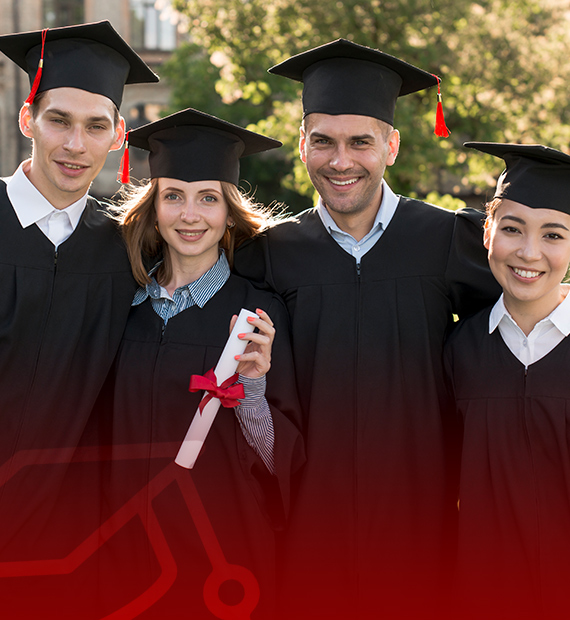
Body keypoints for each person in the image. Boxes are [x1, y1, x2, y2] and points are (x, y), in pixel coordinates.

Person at [233, 39, 501, 619]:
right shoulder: (271, 255)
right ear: (303, 145)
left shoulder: (446, 240)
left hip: (423, 521)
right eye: (323, 141)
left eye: (361, 141)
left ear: (391, 145)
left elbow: (522, 323)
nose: (341, 160)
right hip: (305, 526)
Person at [94, 108, 305, 618]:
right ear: (154, 206)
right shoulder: (120, 304)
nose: (190, 215)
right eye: (174, 197)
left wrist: (252, 392)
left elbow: (282, 463)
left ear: (229, 212)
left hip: (222, 558)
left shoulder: (258, 316)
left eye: (208, 198)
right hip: (121, 557)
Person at [0, 20, 158, 616]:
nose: (74, 145)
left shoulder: (124, 251)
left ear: (119, 136)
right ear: (27, 120)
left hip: (69, 541)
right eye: (58, 120)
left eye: (96, 127)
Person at [445, 142, 570, 620]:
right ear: (487, 234)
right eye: (513, 229)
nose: (529, 252)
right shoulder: (458, 350)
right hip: (481, 593)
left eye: (554, 235)